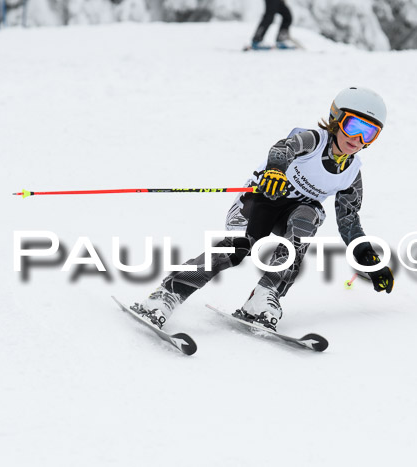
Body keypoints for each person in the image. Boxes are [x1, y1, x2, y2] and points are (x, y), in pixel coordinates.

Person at [131, 87, 394, 331]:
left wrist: (368, 257)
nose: (358, 138)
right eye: (353, 126)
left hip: (294, 215)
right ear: (336, 119)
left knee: (308, 218)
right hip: (263, 200)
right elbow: (284, 147)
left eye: (369, 133)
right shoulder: (314, 140)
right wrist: (276, 171)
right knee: (238, 248)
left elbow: (349, 221)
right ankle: (168, 293)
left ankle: (263, 297)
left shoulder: (351, 173)